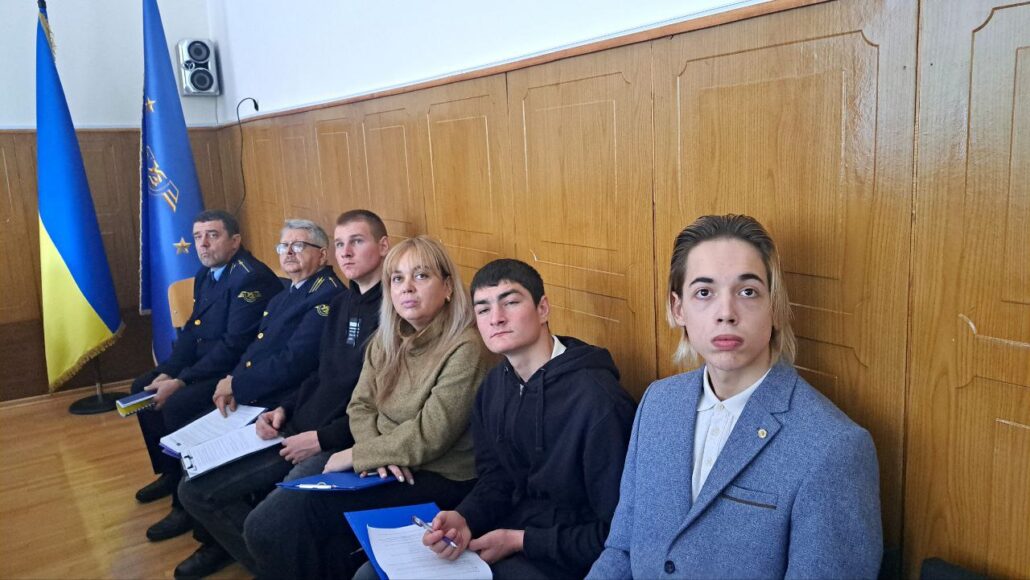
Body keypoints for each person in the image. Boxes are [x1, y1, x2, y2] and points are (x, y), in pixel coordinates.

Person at [587, 214, 882, 579]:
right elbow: (622, 550)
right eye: (704, 293)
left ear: (775, 307)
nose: (726, 313)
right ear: (679, 309)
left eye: (747, 292)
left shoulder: (834, 446)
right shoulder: (658, 403)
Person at [243, 235, 493, 580]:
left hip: (440, 474)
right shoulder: (387, 338)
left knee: (286, 522)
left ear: (448, 287)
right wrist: (377, 454)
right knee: (268, 524)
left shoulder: (466, 347)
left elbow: (430, 435)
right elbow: (360, 406)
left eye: (421, 276)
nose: (407, 287)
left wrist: (360, 455)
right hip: (388, 464)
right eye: (397, 278)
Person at [174, 210, 389, 578]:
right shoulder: (343, 303)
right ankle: (271, 566)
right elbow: (319, 373)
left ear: (383, 247)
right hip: (294, 423)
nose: (346, 252)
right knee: (192, 488)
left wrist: (321, 438)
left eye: (357, 241)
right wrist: (282, 409)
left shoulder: (390, 312)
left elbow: (375, 403)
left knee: (268, 526)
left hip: (332, 439)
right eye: (341, 243)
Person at [417, 258, 637, 579]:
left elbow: (619, 533)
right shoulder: (494, 386)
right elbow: (496, 479)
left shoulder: (598, 401)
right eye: (483, 309)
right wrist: (466, 518)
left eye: (510, 302)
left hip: (569, 559)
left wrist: (522, 541)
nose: (496, 318)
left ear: (543, 308)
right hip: (509, 537)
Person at [145, 218, 344, 543]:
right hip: (258, 391)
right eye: (284, 246)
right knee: (192, 439)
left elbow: (293, 362)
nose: (289, 253)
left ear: (322, 255)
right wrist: (232, 378)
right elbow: (256, 347)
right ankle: (208, 532)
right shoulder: (288, 294)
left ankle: (214, 542)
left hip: (280, 401)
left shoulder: (326, 297)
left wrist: (237, 385)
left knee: (200, 452)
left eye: (299, 246)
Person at [130, 210, 281, 529]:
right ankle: (170, 473)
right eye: (198, 236)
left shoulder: (249, 278)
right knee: (142, 387)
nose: (203, 244)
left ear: (235, 241)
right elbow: (192, 331)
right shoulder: (206, 274)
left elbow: (232, 346)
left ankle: (185, 506)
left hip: (231, 370)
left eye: (213, 235)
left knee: (176, 404)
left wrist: (181, 381)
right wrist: (169, 370)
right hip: (206, 362)